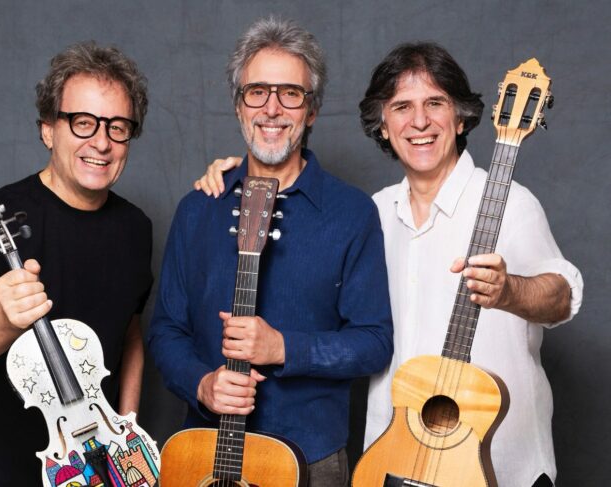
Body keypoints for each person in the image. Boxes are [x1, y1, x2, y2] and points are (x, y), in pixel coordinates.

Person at [197, 42, 583, 487]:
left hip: (498, 463)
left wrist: (510, 290)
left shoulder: (511, 202)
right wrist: (238, 177)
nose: (419, 122)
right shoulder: (372, 214)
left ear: (460, 118)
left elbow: (561, 297)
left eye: (435, 103)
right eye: (401, 107)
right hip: (394, 459)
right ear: (382, 125)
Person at [148, 17, 393, 487]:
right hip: (203, 454)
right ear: (238, 105)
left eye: (291, 93)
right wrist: (202, 384)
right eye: (256, 92)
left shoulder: (352, 214)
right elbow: (166, 331)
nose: (272, 109)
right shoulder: (199, 208)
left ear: (312, 110)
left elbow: (373, 342)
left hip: (310, 460)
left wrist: (283, 348)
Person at [0, 41, 152, 486]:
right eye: (83, 123)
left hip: (92, 464)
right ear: (48, 130)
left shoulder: (136, 227)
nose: (102, 142)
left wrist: (127, 427)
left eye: (117, 127)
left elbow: (130, 332)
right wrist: (5, 316)